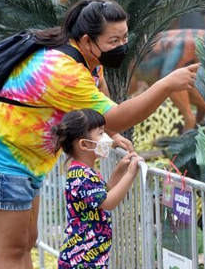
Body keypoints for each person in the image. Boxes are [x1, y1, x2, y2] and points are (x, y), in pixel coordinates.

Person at [0, 0, 198, 269]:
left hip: (23, 158)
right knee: (10, 250)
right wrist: (165, 85)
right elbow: (118, 115)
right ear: (87, 40)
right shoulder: (65, 71)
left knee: (27, 241)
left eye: (125, 36)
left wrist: (109, 134)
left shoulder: (89, 59)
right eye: (114, 40)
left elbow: (100, 103)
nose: (122, 45)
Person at [53, 109, 142, 269]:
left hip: (88, 257)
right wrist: (130, 174)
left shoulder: (83, 171)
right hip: (82, 259)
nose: (107, 139)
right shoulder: (81, 176)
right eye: (101, 133)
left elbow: (102, 193)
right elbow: (107, 202)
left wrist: (119, 170)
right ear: (84, 144)